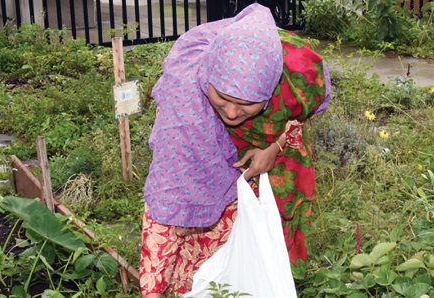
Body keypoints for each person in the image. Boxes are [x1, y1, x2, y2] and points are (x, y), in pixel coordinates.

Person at [139, 3, 330, 297]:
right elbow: (169, 204)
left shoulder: (294, 76)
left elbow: (296, 117)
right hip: (190, 192)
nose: (230, 113)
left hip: (241, 196)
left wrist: (274, 146)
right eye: (222, 98)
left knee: (236, 267)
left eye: (245, 104)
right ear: (208, 76)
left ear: (270, 90)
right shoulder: (184, 112)